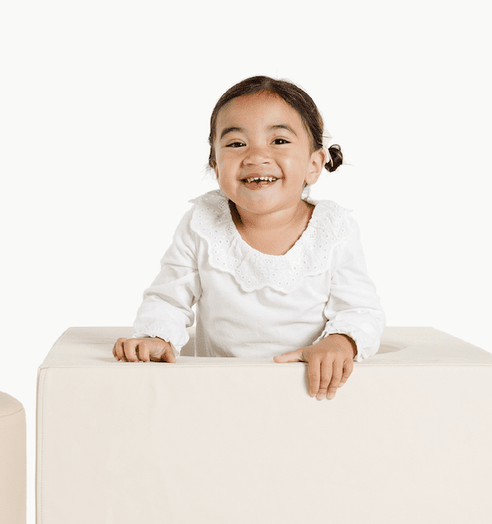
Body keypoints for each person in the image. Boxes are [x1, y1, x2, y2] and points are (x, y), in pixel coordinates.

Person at [113, 75, 385, 400]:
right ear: (215, 165)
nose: (256, 156)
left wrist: (341, 341)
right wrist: (157, 337)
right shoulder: (203, 222)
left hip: (305, 390)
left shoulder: (333, 228)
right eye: (236, 144)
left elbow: (360, 310)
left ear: (314, 164)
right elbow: (169, 298)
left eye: (279, 141)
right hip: (220, 392)